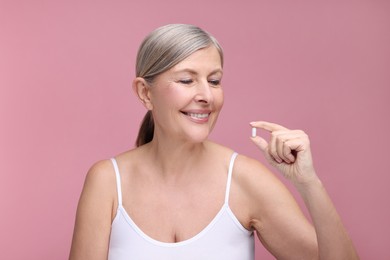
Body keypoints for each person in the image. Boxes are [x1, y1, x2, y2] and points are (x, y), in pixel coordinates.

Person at [69, 24, 359, 260]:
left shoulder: (245, 180)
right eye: (186, 80)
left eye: (215, 80)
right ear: (145, 92)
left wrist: (309, 183)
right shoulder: (107, 181)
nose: (207, 96)